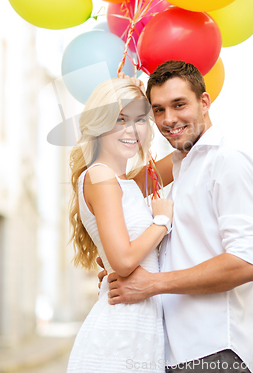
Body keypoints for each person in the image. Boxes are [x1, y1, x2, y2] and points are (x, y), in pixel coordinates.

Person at [103, 61, 253, 373]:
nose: (169, 119)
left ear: (204, 103)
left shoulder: (227, 160)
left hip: (214, 353)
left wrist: (150, 284)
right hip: (174, 353)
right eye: (158, 110)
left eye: (179, 105)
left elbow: (246, 263)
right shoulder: (183, 164)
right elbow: (119, 188)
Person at [66, 77, 174, 373]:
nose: (132, 129)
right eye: (119, 119)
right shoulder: (100, 177)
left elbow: (183, 154)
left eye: (140, 119)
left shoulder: (127, 182)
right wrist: (161, 222)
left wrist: (147, 89)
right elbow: (123, 261)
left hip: (141, 331)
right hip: (118, 334)